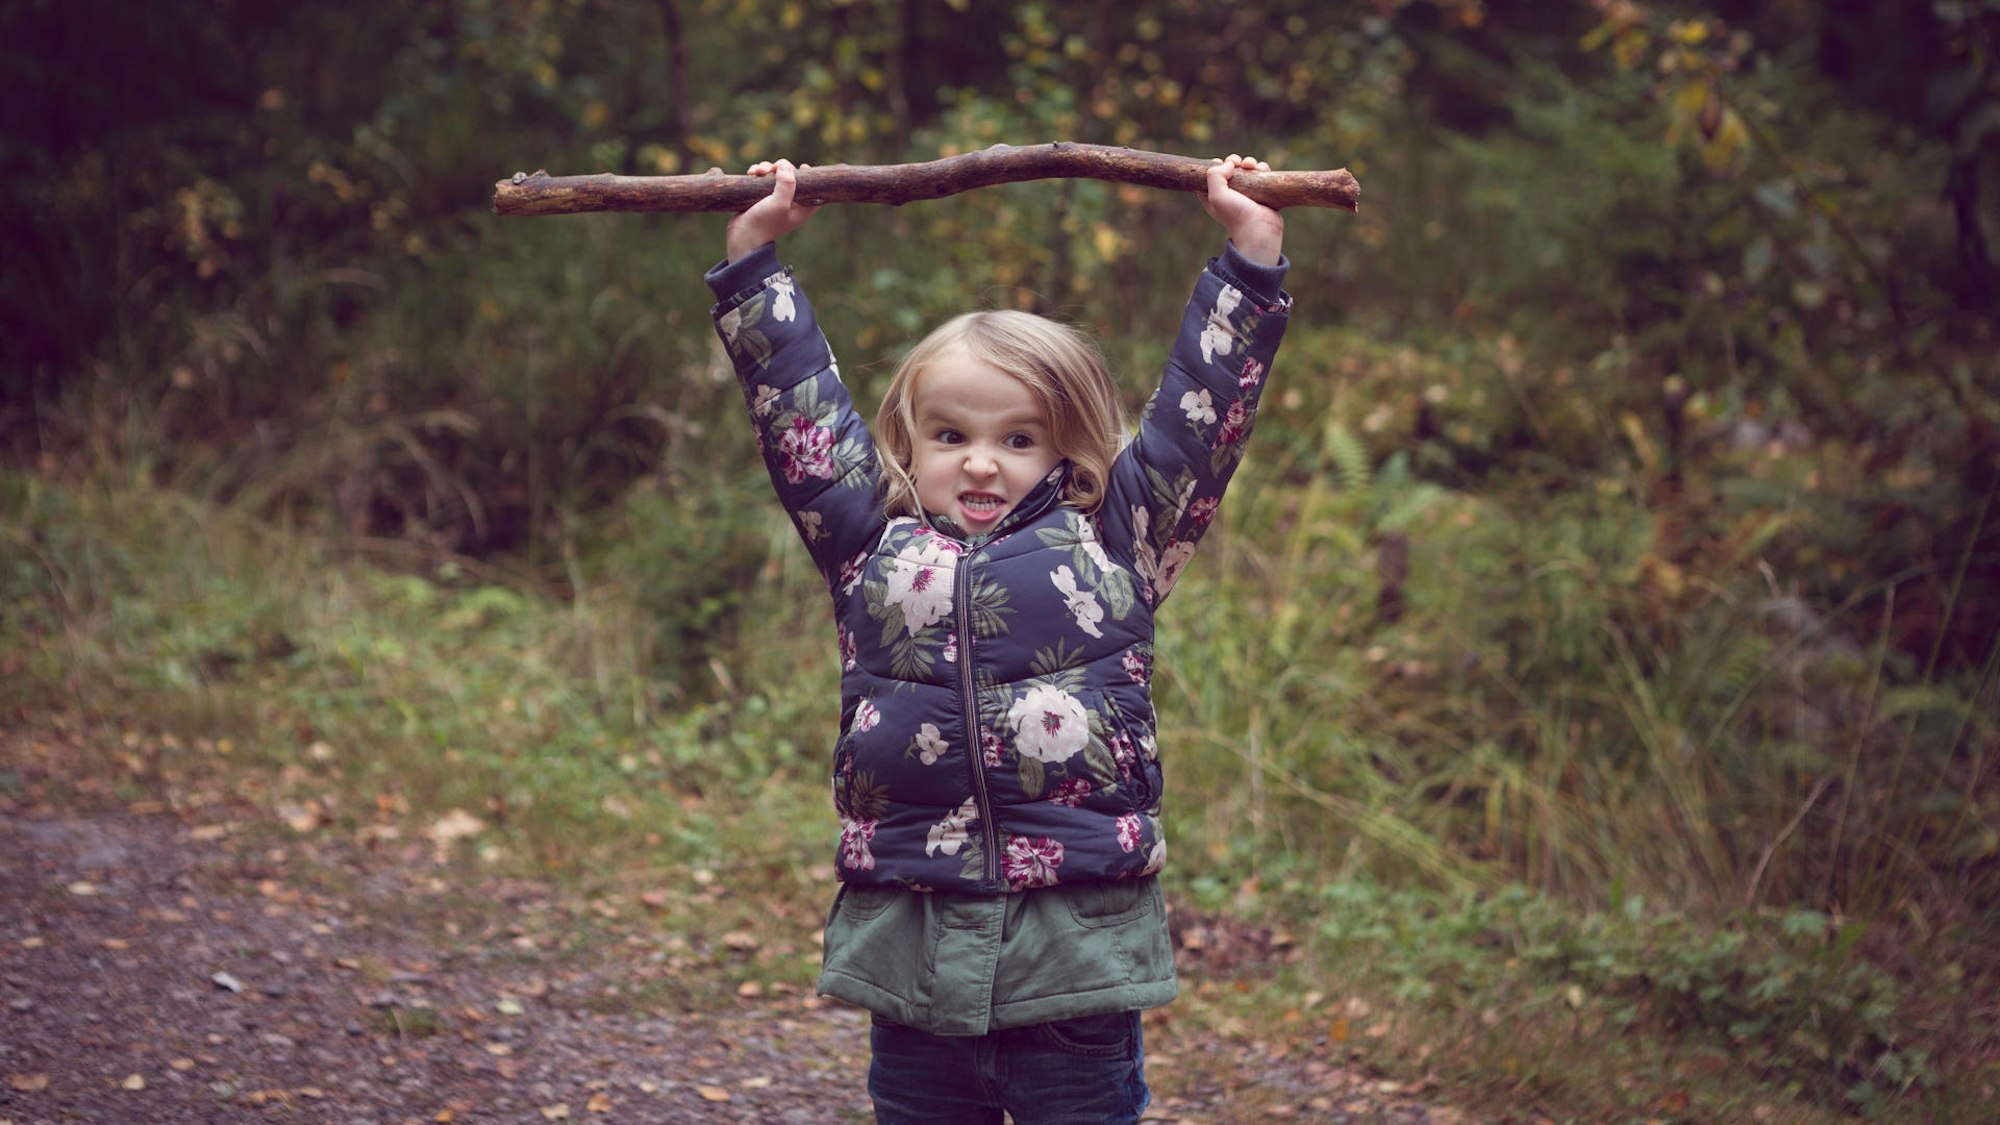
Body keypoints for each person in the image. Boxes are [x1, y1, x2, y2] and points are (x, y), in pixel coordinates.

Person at [704, 153, 1291, 1124]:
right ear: (909, 440)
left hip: (1075, 950)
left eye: (1018, 440)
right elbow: (795, 410)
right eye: (948, 436)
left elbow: (1199, 421)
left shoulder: (1118, 546)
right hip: (914, 938)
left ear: (1066, 447)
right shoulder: (866, 546)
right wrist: (753, 259)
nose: (980, 462)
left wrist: (1250, 254)